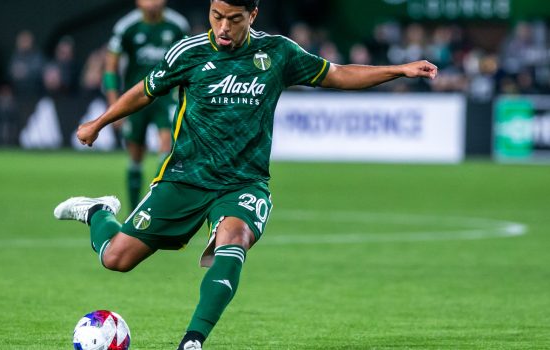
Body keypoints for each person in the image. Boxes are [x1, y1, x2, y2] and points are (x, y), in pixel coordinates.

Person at [54, 0, 437, 349]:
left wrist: (398, 69)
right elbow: (146, 90)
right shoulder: (189, 53)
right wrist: (100, 122)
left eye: (234, 19)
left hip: (243, 182)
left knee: (234, 237)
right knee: (115, 258)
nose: (223, 27)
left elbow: (337, 74)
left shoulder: (277, 53)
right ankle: (98, 211)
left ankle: (192, 341)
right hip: (186, 177)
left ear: (252, 16)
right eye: (216, 16)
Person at [104, 0, 189, 210]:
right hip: (136, 99)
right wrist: (114, 105)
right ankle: (134, 211)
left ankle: (154, 207)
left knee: (166, 148)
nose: (152, 3)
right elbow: (110, 67)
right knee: (135, 156)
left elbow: (189, 62)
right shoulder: (126, 27)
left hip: (166, 98)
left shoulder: (178, 25)